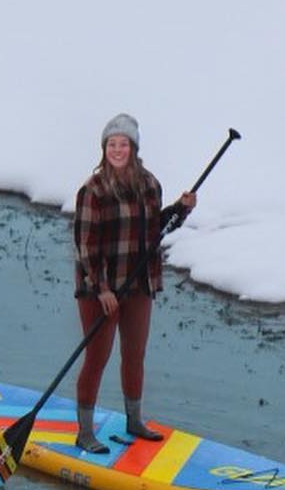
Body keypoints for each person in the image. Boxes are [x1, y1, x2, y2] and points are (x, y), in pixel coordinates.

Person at [72, 113, 195, 454]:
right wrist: (102, 289)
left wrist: (180, 211)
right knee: (97, 357)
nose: (117, 150)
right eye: (112, 144)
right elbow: (85, 245)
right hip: (101, 288)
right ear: (104, 149)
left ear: (134, 148)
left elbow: (155, 229)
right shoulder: (92, 190)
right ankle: (84, 431)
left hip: (139, 282)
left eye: (123, 144)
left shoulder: (150, 185)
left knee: (134, 355)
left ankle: (134, 420)